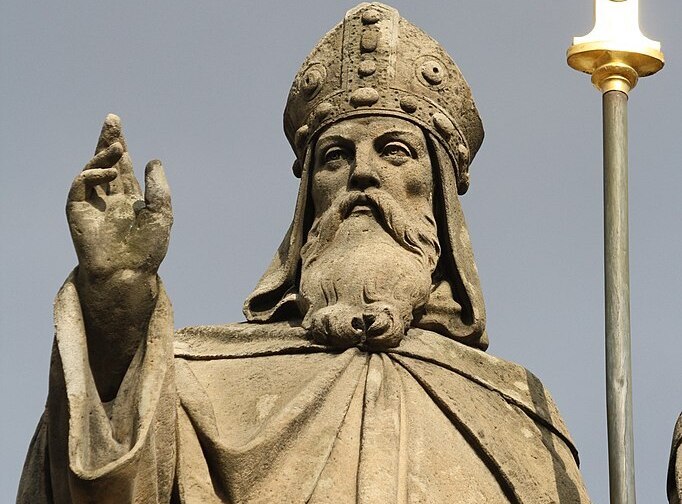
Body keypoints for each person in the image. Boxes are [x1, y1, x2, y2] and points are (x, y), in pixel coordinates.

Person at [18, 3, 591, 503]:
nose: (362, 174)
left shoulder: (518, 415)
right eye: (335, 157)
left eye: (394, 151)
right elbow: (99, 484)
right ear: (309, 198)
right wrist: (115, 294)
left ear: (439, 195)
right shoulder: (196, 381)